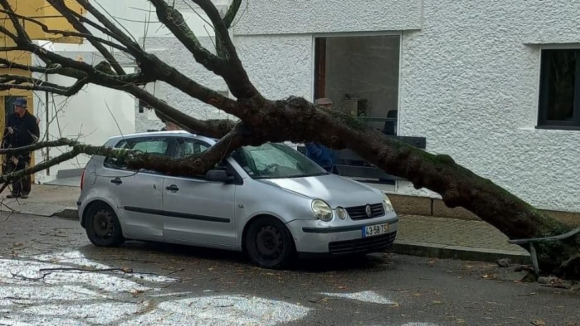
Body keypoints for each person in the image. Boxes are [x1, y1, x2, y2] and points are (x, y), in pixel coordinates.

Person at [2, 98, 40, 199]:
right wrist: (4, 147)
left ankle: (25, 191)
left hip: (25, 149)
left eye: (17, 106)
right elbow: (6, 133)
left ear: (23, 108)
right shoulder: (11, 117)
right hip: (12, 148)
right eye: (15, 106)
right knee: (13, 169)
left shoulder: (31, 120)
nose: (15, 107)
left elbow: (36, 136)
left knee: (24, 169)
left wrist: (29, 147)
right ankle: (15, 191)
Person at [305, 98, 336, 173]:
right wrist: (319, 153)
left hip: (329, 161)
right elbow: (307, 140)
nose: (330, 108)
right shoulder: (312, 121)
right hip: (316, 162)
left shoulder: (329, 121)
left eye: (330, 106)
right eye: (327, 106)